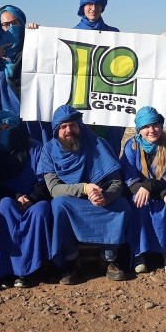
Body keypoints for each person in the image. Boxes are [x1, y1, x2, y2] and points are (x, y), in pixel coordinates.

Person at [37, 105, 131, 284]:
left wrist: (106, 196)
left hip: (99, 200)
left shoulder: (98, 144)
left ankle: (109, 258)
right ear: (56, 130)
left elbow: (117, 183)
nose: (68, 130)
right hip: (73, 202)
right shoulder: (49, 151)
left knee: (122, 205)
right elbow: (54, 189)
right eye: (63, 127)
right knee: (59, 204)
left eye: (72, 125)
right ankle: (71, 261)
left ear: (80, 125)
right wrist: (84, 188)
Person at [0, 110, 53, 288]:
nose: (5, 131)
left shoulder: (36, 148)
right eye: (0, 128)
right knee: (5, 206)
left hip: (34, 199)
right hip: (8, 197)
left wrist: (31, 198)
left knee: (40, 212)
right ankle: (6, 270)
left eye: (9, 127)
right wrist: (14, 195)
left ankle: (31, 270)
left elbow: (45, 179)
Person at [0, 5, 51, 145]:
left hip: (30, 109)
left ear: (22, 22)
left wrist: (41, 34)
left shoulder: (33, 41)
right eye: (5, 24)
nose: (10, 28)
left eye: (14, 23)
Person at [120, 106, 166, 275]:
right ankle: (139, 252)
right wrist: (141, 189)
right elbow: (128, 174)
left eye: (155, 125)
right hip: (139, 191)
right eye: (146, 126)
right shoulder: (132, 146)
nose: (152, 130)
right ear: (139, 129)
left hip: (165, 189)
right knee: (138, 204)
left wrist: (158, 191)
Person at [71, 0, 124, 154]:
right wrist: (34, 31)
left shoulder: (114, 34)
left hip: (105, 96)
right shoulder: (71, 34)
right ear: (82, 7)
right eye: (89, 4)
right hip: (79, 98)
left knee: (106, 144)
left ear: (102, 8)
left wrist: (162, 40)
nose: (93, 8)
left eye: (97, 4)